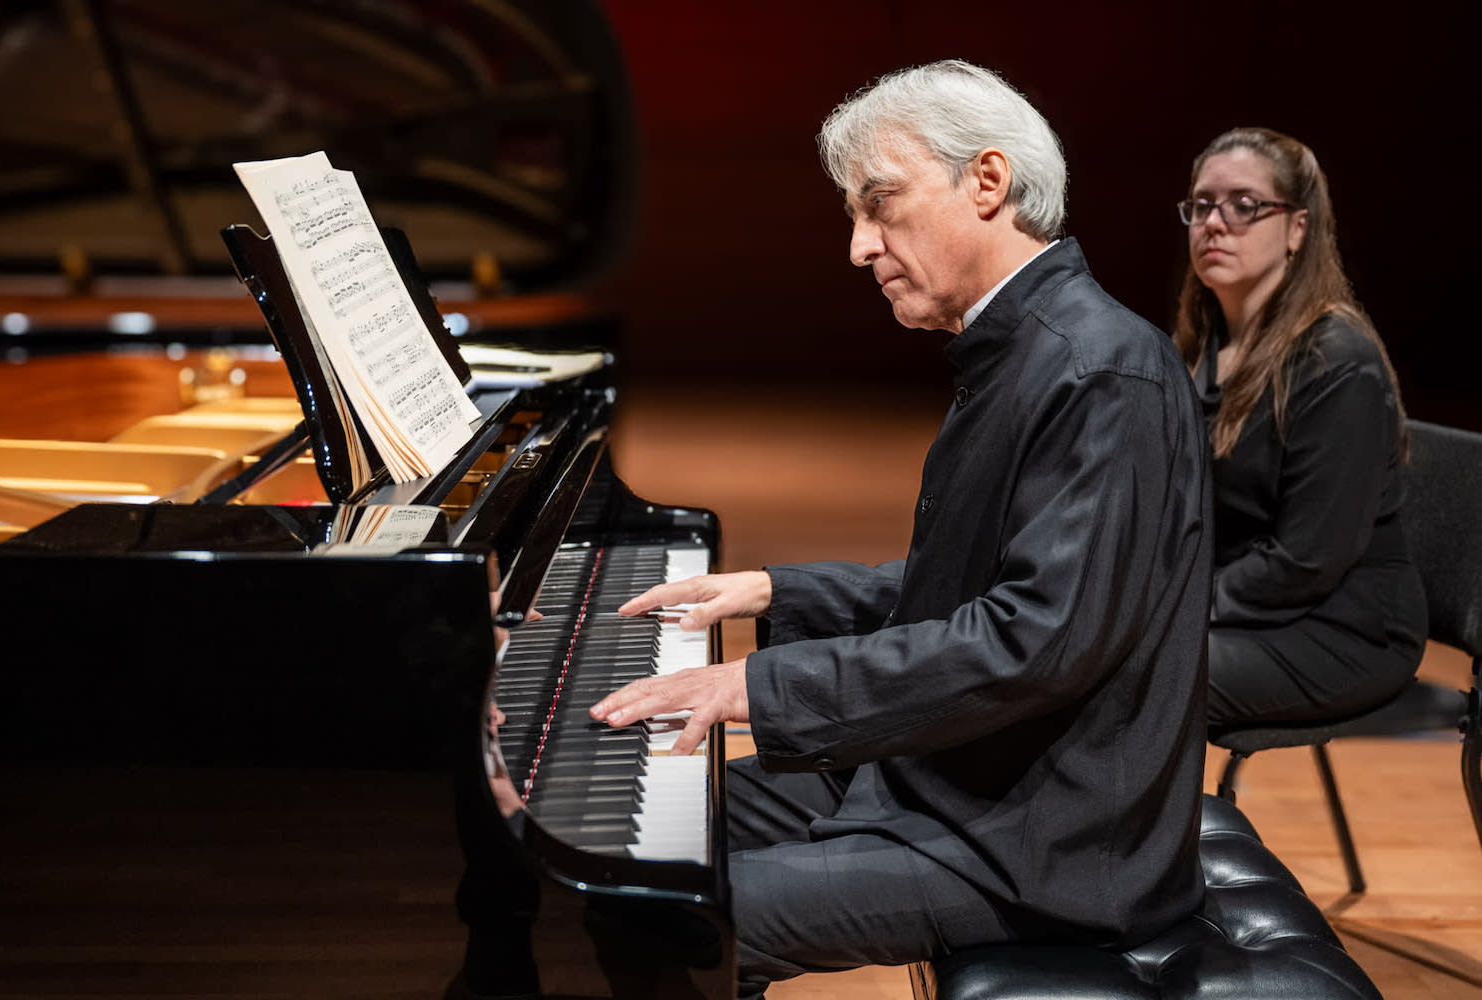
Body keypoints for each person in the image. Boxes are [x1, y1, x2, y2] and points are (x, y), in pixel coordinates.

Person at [590, 60, 1212, 998]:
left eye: (880, 206)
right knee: (626, 841)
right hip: (948, 778)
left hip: (1040, 841)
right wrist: (774, 592)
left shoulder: (1099, 374)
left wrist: (758, 682)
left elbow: (1032, 643)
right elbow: (973, 589)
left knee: (653, 919)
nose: (857, 246)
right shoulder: (1025, 349)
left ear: (988, 183)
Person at [1173, 127, 1426, 729]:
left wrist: (1170, 608)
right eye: (1201, 205)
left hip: (1343, 630)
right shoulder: (1200, 344)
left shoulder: (1337, 361)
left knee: (1132, 678)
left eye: (1244, 205)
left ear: (1297, 229)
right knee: (1074, 656)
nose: (1214, 222)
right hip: (1247, 611)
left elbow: (1308, 561)